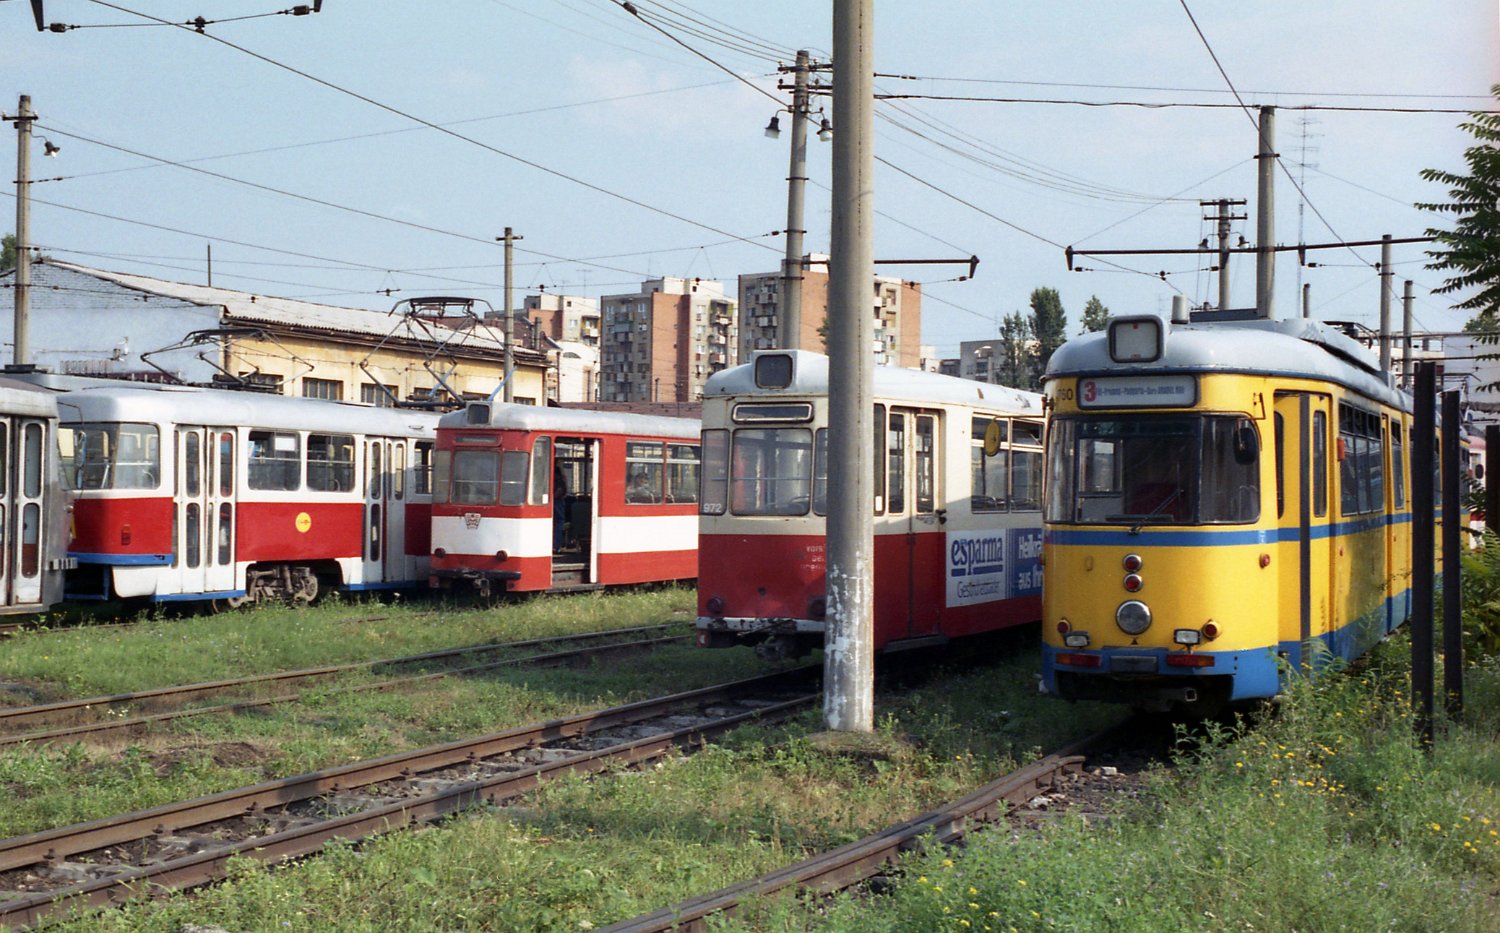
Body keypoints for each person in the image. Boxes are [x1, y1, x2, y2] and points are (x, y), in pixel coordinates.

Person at [552, 464, 568, 551]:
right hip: (558, 503)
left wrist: (551, 498)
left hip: (557, 503)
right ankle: (556, 545)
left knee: (557, 523)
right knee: (558, 523)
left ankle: (555, 545)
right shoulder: (561, 481)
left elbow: (559, 492)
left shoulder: (557, 481)